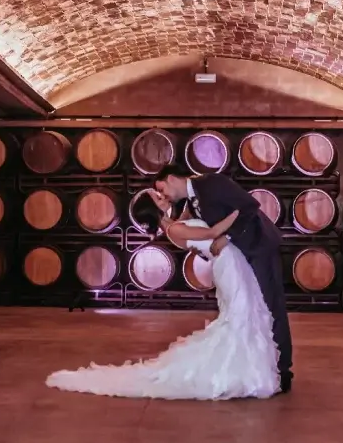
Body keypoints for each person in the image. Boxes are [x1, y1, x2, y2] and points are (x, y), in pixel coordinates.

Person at [45, 191, 281, 400]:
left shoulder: (175, 224)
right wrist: (241, 213)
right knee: (239, 316)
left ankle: (244, 370)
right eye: (158, 199)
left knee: (245, 313)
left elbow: (193, 214)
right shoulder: (174, 229)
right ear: (154, 209)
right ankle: (239, 373)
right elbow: (212, 232)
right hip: (228, 266)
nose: (163, 197)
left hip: (232, 262)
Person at [154, 166, 293, 393]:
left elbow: (249, 206)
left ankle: (283, 370)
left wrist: (226, 237)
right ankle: (261, 365)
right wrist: (165, 213)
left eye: (162, 189)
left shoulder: (212, 182)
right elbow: (181, 230)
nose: (164, 195)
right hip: (237, 257)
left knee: (270, 305)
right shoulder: (191, 203)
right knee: (251, 309)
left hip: (258, 246)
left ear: (171, 178)